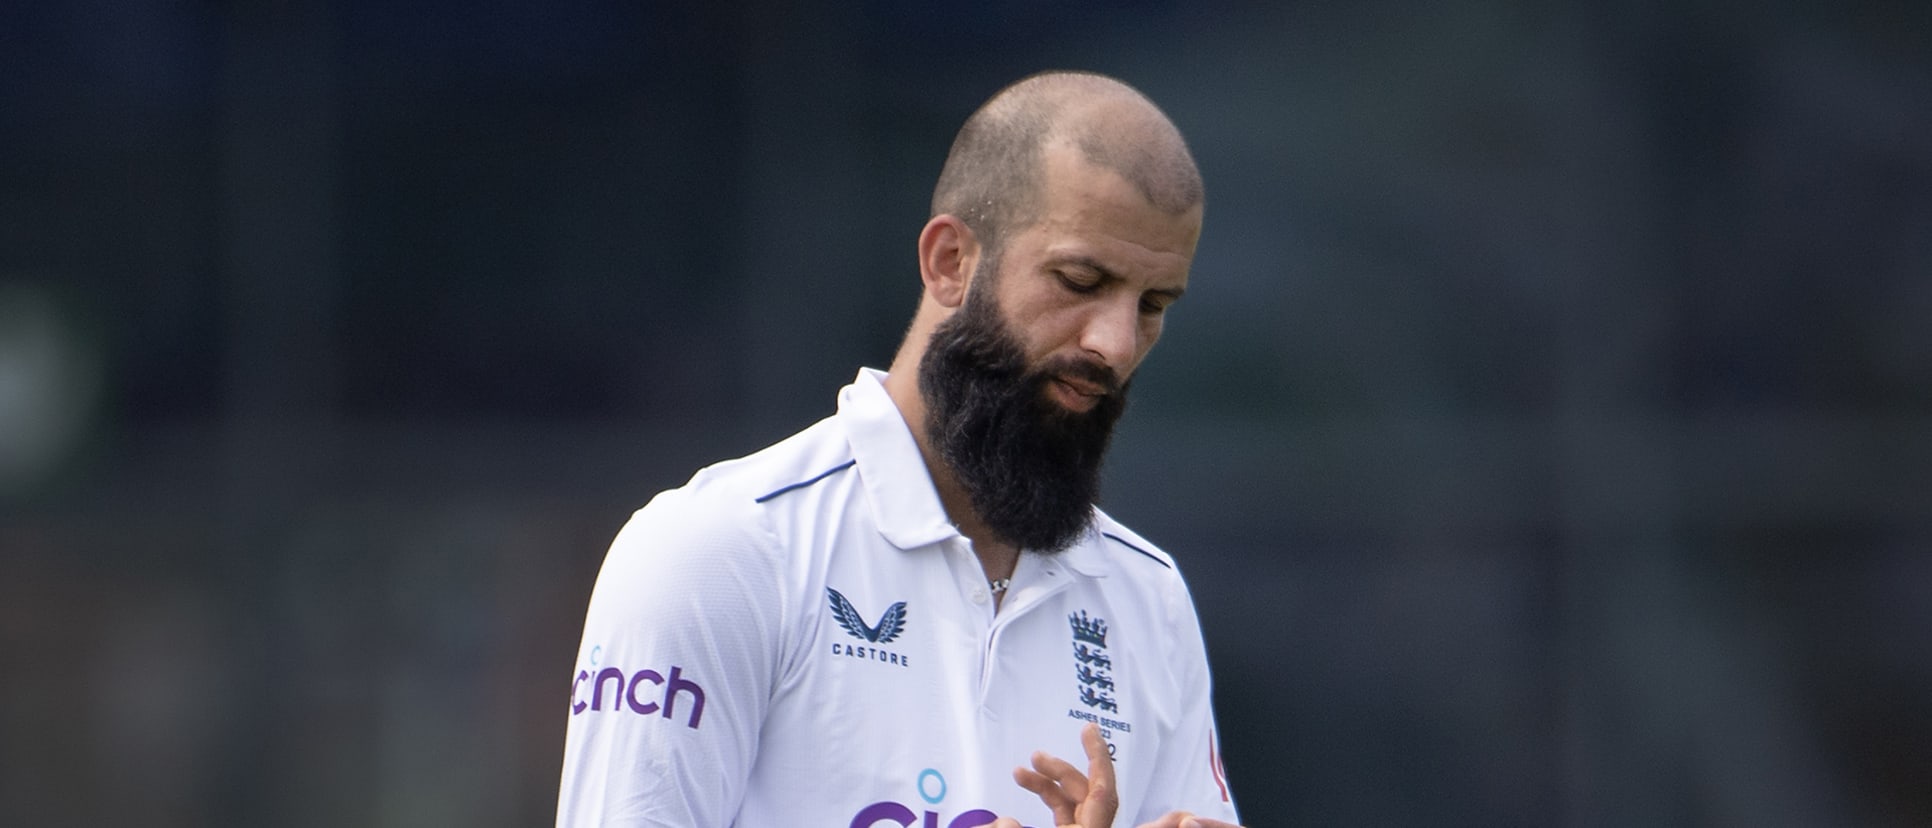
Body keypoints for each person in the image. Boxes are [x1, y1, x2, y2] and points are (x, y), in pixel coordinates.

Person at [557, 70, 1243, 828]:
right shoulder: (716, 552)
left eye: (1152, 306)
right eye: (1080, 280)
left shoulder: (1150, 598)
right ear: (950, 261)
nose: (1115, 344)